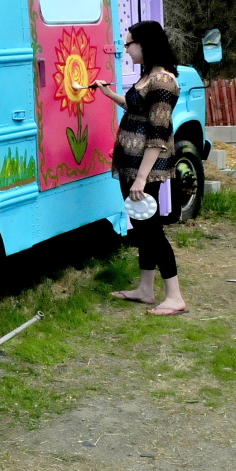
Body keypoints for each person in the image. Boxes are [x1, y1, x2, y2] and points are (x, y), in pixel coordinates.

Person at [95, 20, 188, 316]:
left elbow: (158, 135)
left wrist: (141, 179)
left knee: (151, 229)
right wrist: (109, 95)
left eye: (129, 44)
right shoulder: (148, 75)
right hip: (131, 163)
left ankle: (174, 296)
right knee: (142, 225)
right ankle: (146, 289)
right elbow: (136, 108)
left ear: (144, 44)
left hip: (146, 167)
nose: (126, 49)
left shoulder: (163, 81)